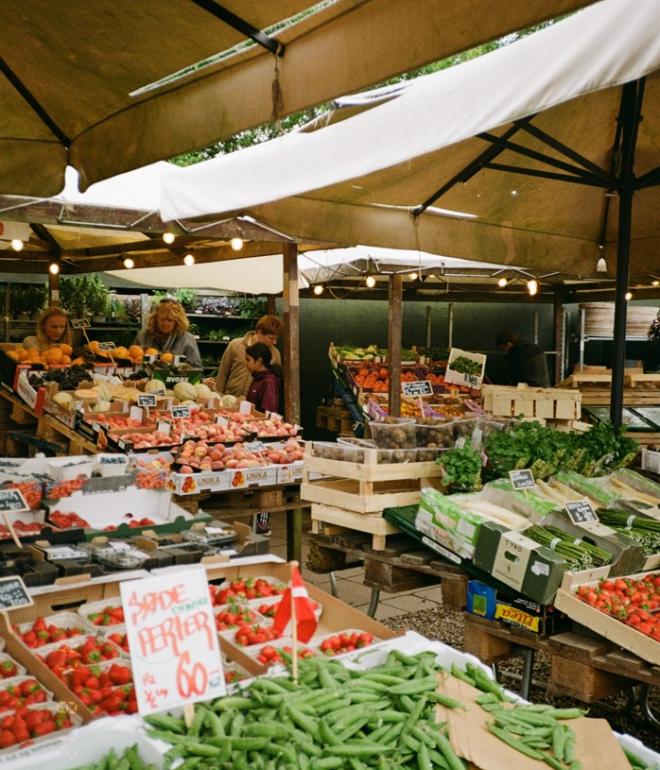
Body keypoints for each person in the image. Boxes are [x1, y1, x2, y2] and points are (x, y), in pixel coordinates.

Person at [215, 315, 283, 398]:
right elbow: (223, 373)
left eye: (276, 338)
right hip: (230, 400)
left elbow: (275, 383)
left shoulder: (275, 354)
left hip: (255, 404)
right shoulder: (235, 345)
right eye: (271, 338)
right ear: (259, 333)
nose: (275, 342)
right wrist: (218, 396)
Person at [134, 298, 202, 367]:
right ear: (155, 318)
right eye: (162, 319)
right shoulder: (142, 337)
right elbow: (132, 362)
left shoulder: (187, 339)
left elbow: (197, 368)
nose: (165, 324)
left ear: (177, 321)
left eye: (170, 320)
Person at [245, 342, 284, 415]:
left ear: (259, 361)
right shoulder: (257, 378)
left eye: (248, 360)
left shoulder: (269, 382)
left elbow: (268, 413)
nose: (246, 363)